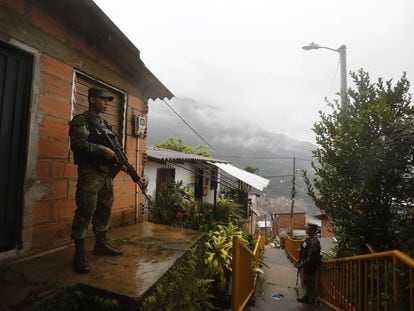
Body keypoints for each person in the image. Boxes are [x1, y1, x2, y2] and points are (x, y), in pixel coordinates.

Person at [69, 87, 123, 274]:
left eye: (108, 100)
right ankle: (79, 254)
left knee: (104, 209)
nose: (107, 103)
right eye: (103, 99)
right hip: (90, 174)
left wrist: (119, 159)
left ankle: (101, 244)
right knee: (85, 210)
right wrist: (102, 150)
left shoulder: (107, 126)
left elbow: (116, 148)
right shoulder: (81, 121)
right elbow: (78, 144)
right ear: (92, 100)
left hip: (106, 175)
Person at [296, 223, 321, 304]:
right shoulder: (308, 239)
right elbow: (303, 249)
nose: (306, 229)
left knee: (310, 282)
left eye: (308, 228)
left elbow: (311, 257)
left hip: (310, 266)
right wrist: (299, 259)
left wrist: (302, 264)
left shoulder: (314, 241)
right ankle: (307, 297)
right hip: (306, 265)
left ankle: (312, 299)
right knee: (306, 281)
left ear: (313, 230)